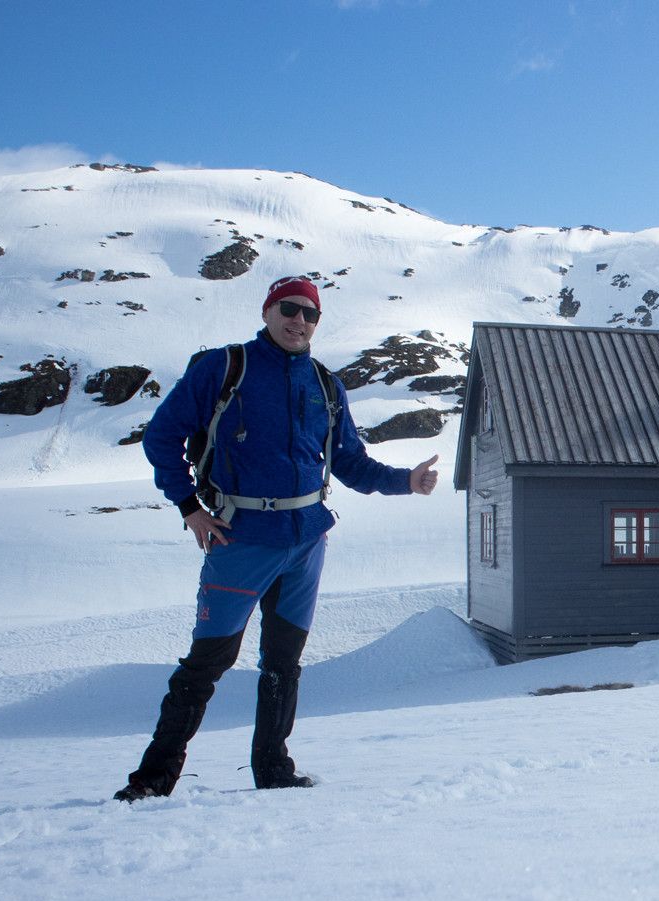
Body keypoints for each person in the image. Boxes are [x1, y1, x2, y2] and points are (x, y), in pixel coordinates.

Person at [115, 275, 437, 800]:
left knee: (283, 663)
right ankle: (152, 780)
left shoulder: (325, 384)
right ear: (267, 312)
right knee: (207, 662)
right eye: (289, 309)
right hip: (239, 539)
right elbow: (161, 436)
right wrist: (189, 508)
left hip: (306, 541)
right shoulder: (224, 367)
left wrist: (406, 481)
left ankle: (274, 771)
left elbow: (349, 462)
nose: (299, 321)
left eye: (310, 314)